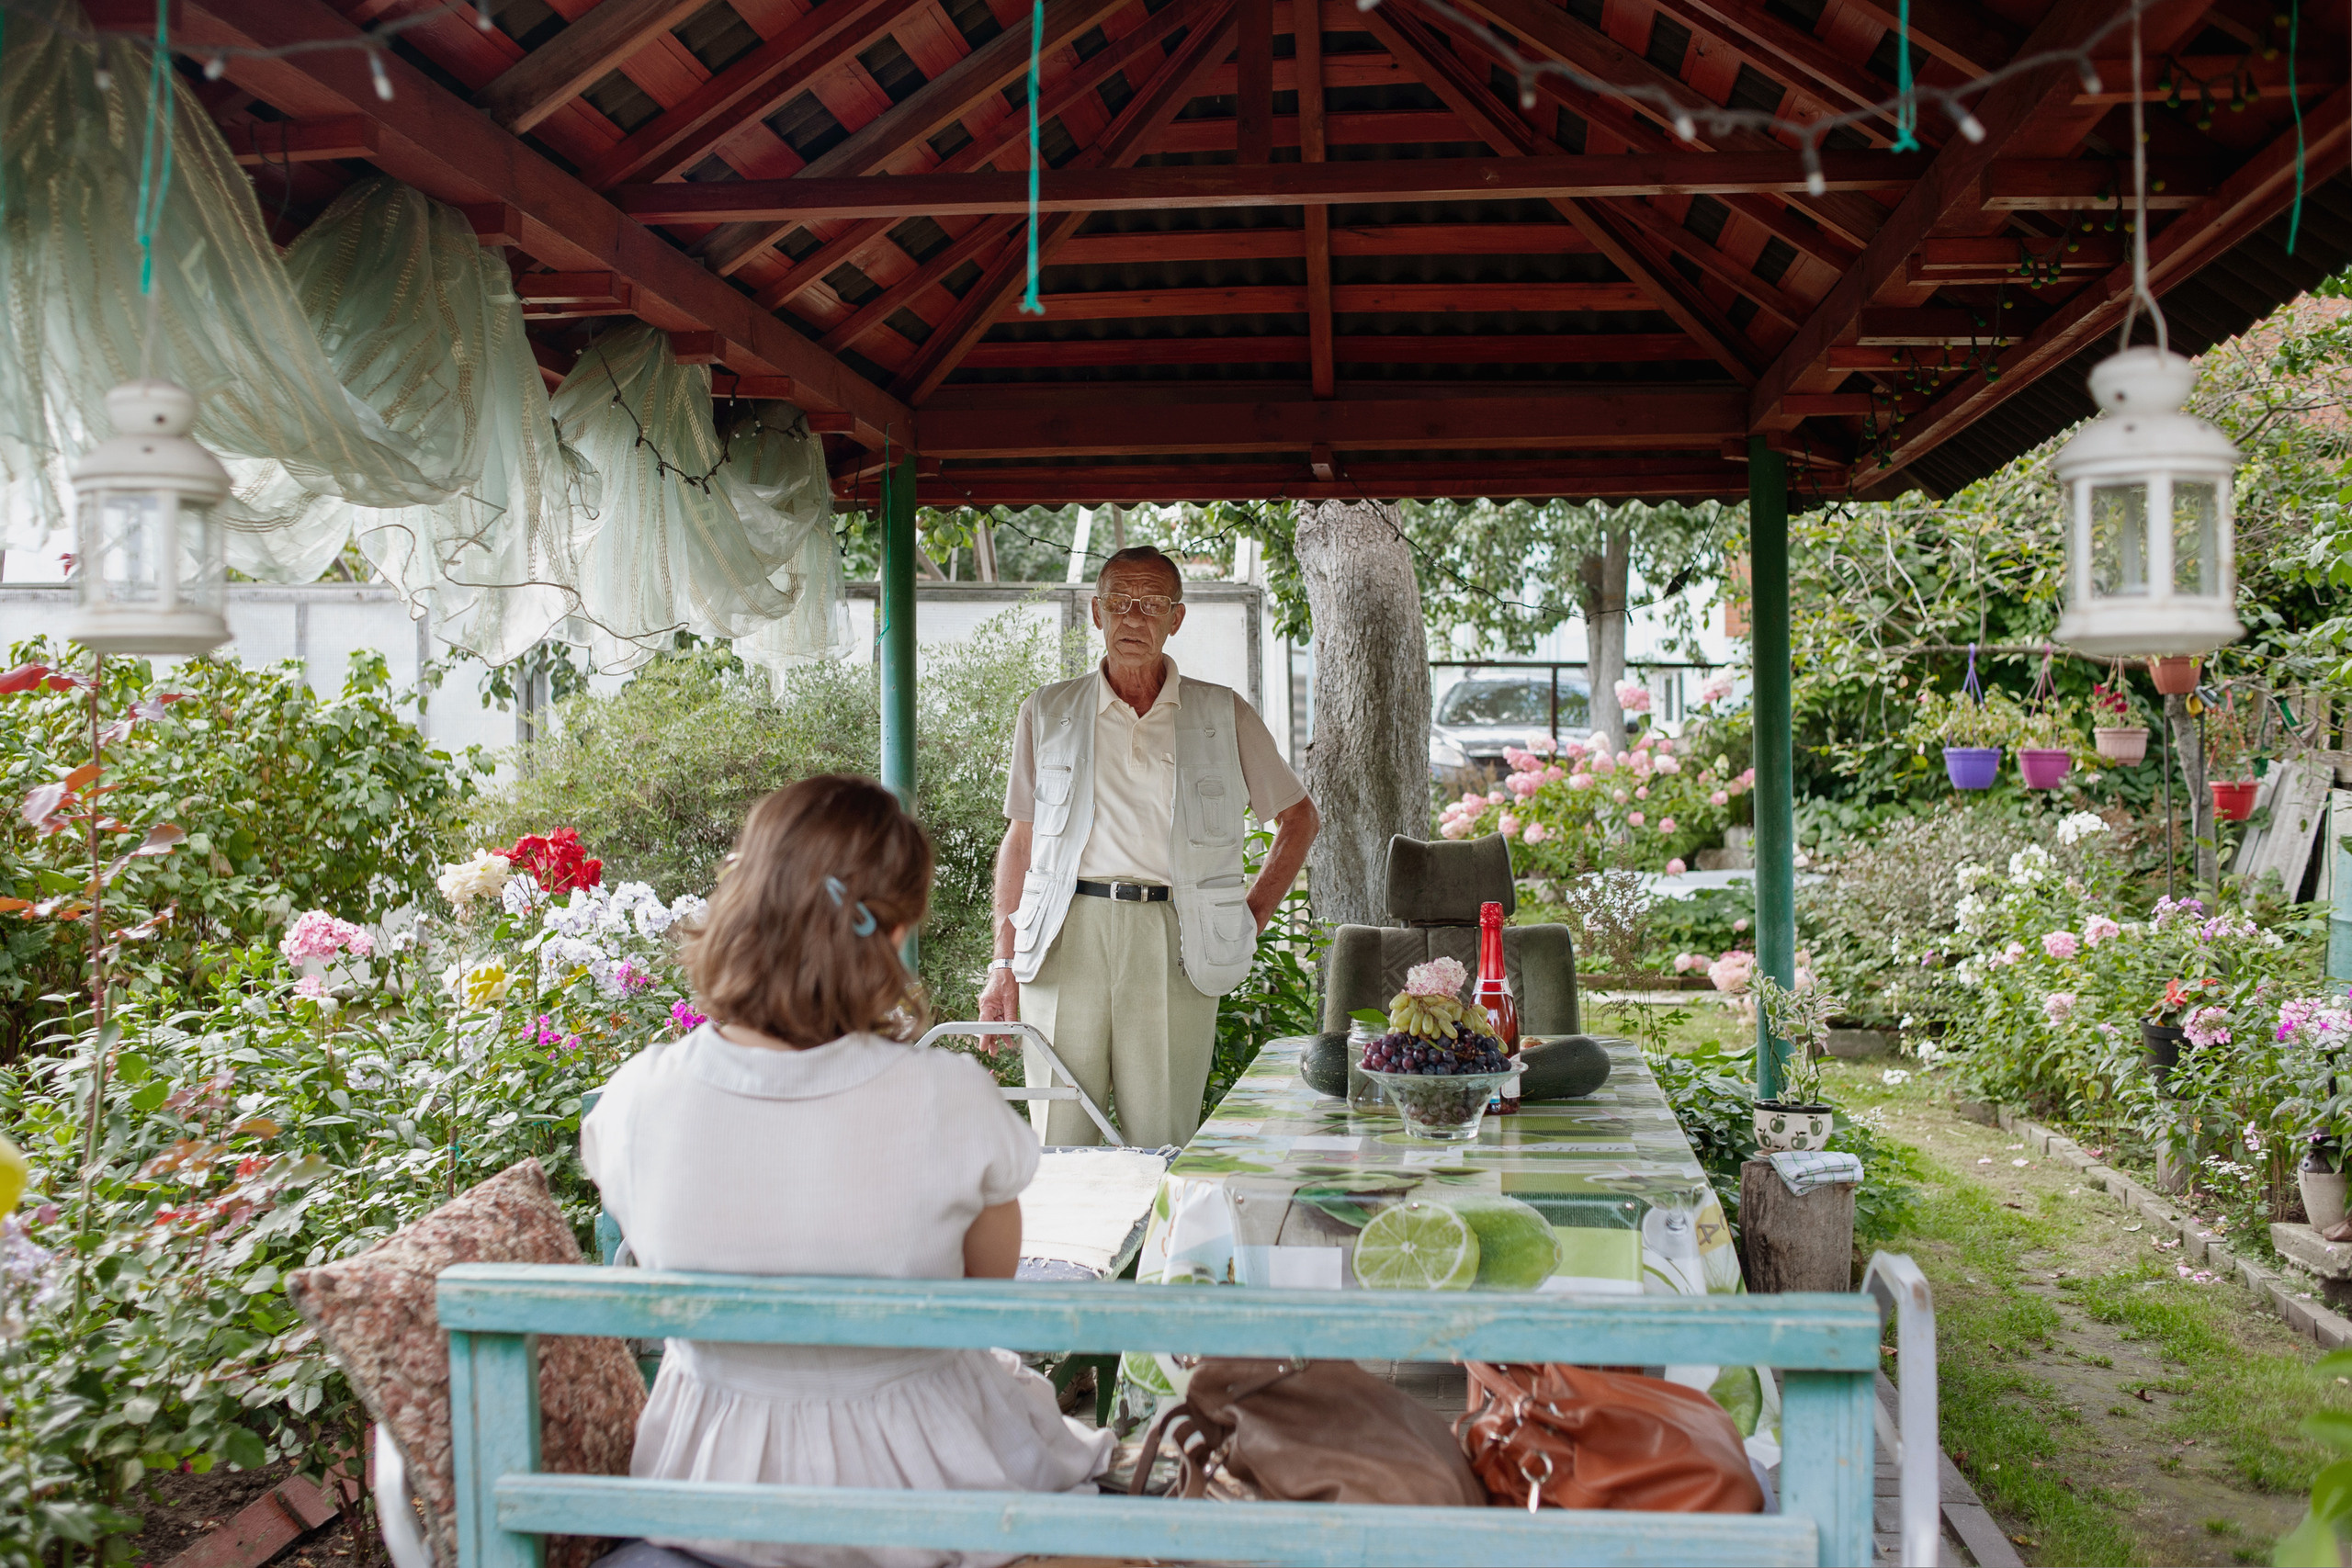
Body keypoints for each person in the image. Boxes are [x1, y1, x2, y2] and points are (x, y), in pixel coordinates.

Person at [582, 774, 1113, 1568]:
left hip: (710, 1488)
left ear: (742, 904)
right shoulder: (948, 1097)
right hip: (923, 1490)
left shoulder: (636, 1100)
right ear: (893, 935)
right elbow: (986, 1296)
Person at [979, 545, 1319, 1148]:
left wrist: (1246, 919)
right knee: (1058, 1138)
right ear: (1096, 612)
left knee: (1163, 1141)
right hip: (1063, 938)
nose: (1133, 618)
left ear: (1176, 619)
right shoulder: (1048, 709)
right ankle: (1070, 1246)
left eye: (1151, 604)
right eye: (1119, 602)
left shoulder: (1221, 712)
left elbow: (1299, 818)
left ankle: (1161, 1245)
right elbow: (1021, 839)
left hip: (1173, 938)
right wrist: (1002, 961)